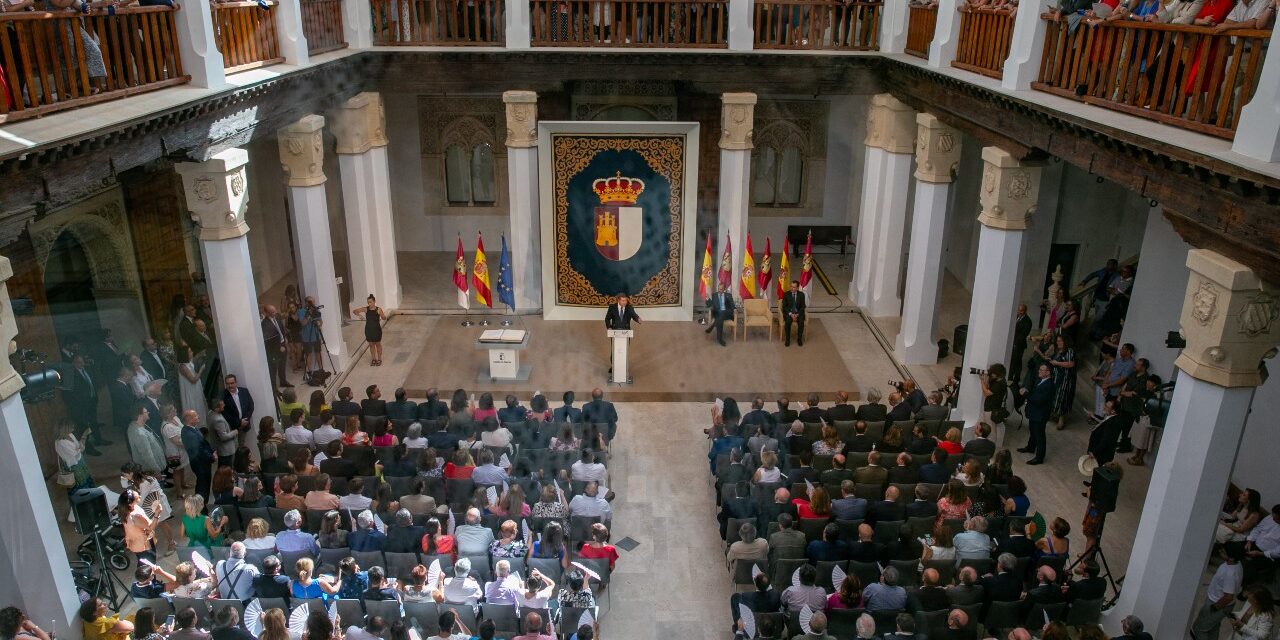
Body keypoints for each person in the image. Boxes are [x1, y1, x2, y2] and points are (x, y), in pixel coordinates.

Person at [1019, 364, 1055, 465]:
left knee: (1040, 436)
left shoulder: (1049, 385)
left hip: (1040, 414)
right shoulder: (1042, 381)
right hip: (1035, 412)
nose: (1039, 371)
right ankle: (1030, 447)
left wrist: (1025, 394)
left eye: (1041, 370)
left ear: (1048, 372)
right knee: (1033, 431)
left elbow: (1039, 400)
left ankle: (1039, 458)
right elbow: (1036, 394)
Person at [261, 305, 292, 392]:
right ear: (267, 313)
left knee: (283, 365)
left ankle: (283, 381)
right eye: (272, 312)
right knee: (274, 369)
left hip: (282, 343)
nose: (275, 313)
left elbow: (281, 328)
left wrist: (284, 337)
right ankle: (274, 389)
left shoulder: (277, 316)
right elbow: (269, 339)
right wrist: (279, 346)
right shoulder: (264, 324)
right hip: (275, 349)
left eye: (275, 311)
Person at [220, 374, 255, 447]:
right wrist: (239, 422)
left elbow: (251, 406)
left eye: (232, 383)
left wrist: (245, 420)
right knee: (234, 448)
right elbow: (225, 413)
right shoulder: (223, 396)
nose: (230, 386)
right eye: (227, 384)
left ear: (236, 383)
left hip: (244, 426)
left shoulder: (244, 391)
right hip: (232, 427)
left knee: (241, 446)